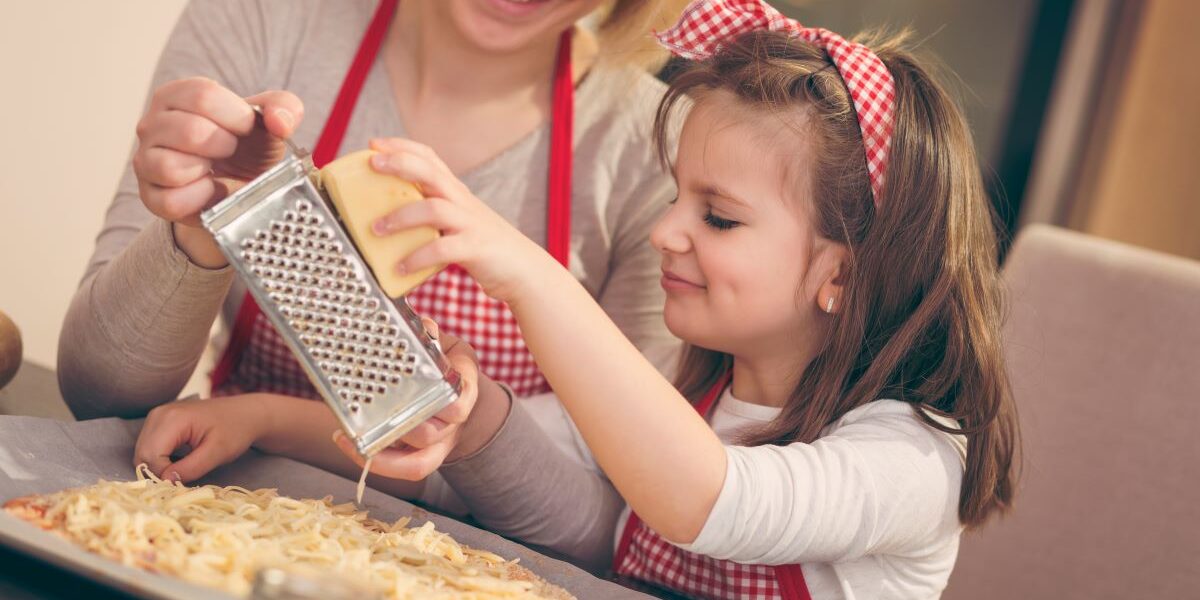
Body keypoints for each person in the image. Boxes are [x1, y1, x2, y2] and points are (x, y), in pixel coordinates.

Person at [338, 1, 1017, 595]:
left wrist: (529, 273)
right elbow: (506, 463)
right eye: (676, 198)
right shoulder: (687, 387)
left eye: (718, 217)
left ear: (842, 275)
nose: (665, 233)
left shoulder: (912, 463)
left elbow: (706, 500)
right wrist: (269, 419)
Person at [59, 0, 685, 506]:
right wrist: (201, 225)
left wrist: (269, 418)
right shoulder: (262, 18)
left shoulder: (662, 149)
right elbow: (101, 396)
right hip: (217, 511)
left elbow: (618, 504)